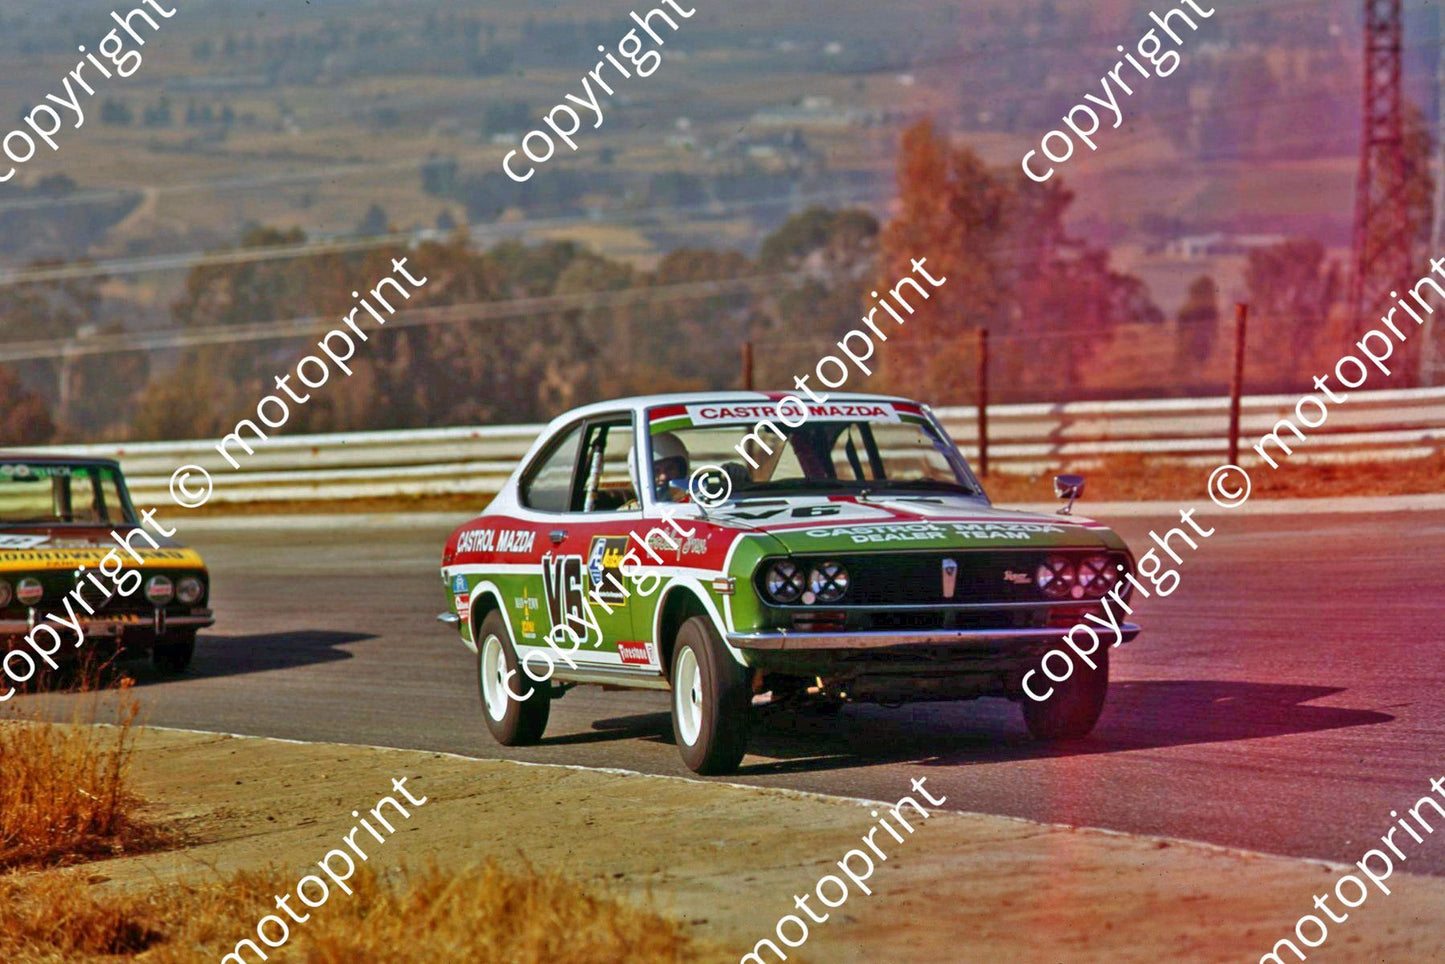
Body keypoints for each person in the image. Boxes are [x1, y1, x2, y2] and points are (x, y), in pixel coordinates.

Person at [651, 432, 691, 502]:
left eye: (670, 469)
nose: (663, 477)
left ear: (681, 469)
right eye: (656, 471)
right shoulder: (634, 510)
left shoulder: (694, 503)